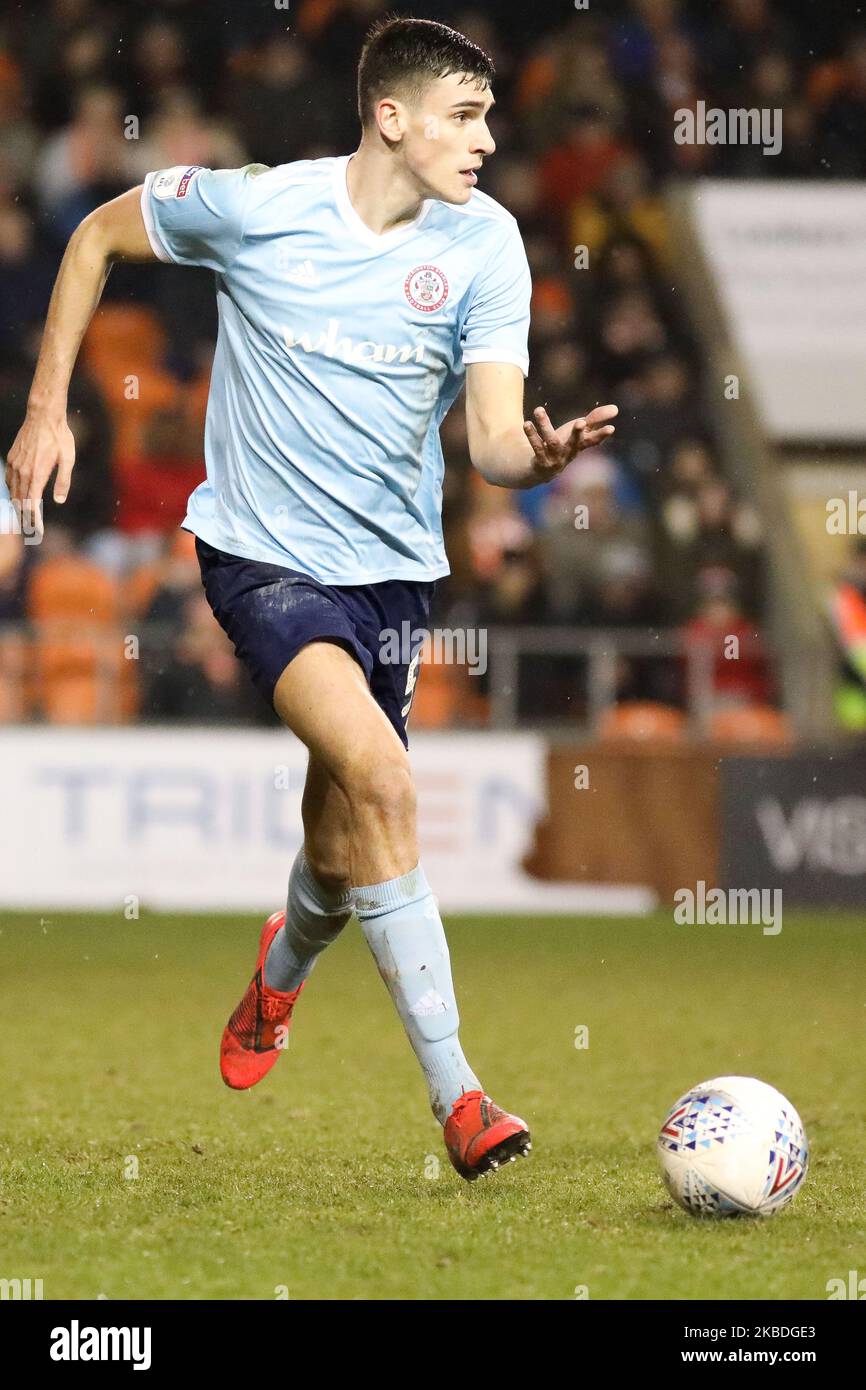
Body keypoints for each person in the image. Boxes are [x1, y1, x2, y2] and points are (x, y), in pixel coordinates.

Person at [5, 16, 617, 1181]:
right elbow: (91, 238)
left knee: (341, 844)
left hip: (392, 574)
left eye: (487, 116)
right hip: (259, 561)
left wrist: (530, 463)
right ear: (391, 117)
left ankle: (281, 966)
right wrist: (47, 409)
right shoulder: (254, 205)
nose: (488, 140)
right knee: (388, 780)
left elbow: (488, 436)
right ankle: (464, 1101)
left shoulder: (488, 247)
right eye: (464, 116)